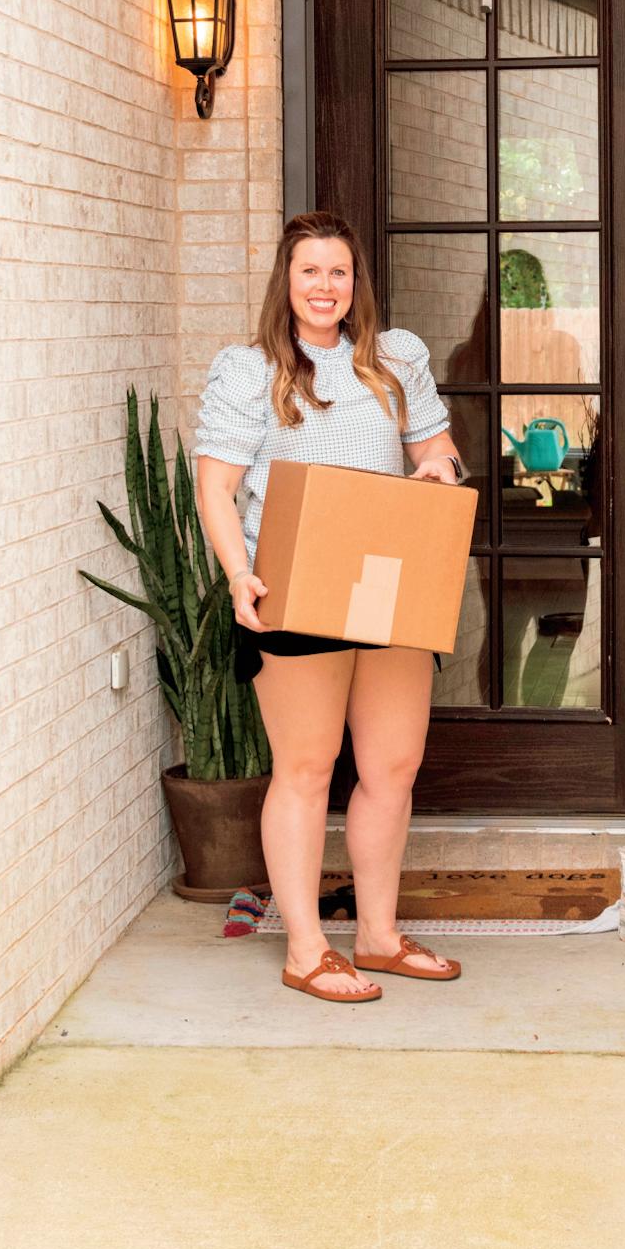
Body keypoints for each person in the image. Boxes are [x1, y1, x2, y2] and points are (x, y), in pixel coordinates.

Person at [193, 210, 466, 1002]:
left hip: (386, 581)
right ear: (286, 281)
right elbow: (215, 486)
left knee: (392, 765)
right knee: (307, 767)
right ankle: (306, 949)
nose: (324, 286)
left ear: (355, 283)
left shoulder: (395, 359)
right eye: (309, 270)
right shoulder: (250, 372)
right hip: (293, 586)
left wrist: (439, 470)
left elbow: (435, 450)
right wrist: (237, 574)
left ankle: (377, 936)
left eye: (337, 271)